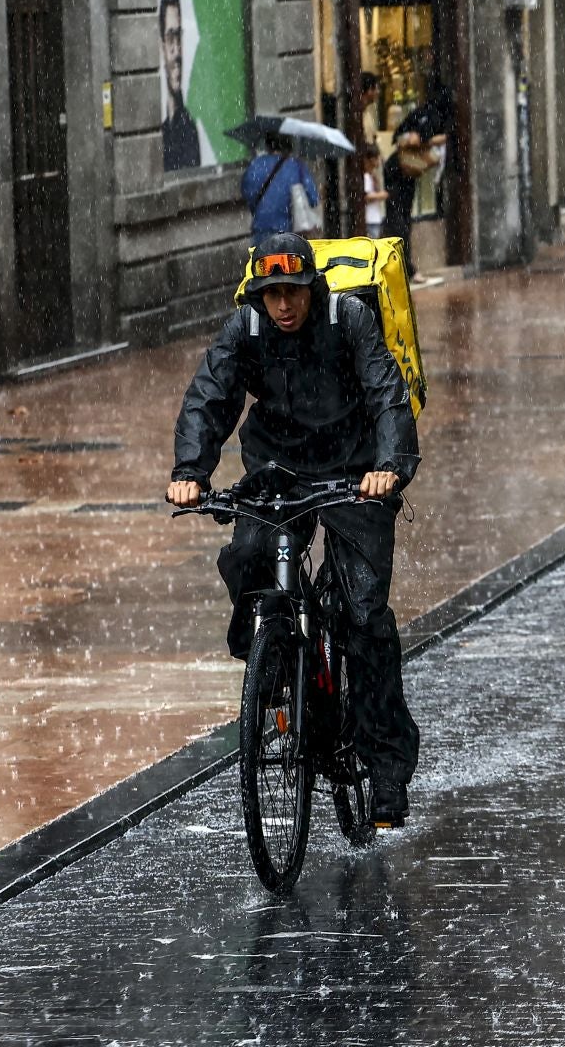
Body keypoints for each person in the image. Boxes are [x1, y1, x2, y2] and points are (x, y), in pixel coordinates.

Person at [167, 231, 421, 824]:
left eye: (293, 292)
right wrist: (191, 469)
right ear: (258, 293)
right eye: (272, 293)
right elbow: (210, 396)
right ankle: (272, 657)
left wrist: (389, 467)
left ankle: (385, 771)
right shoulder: (246, 328)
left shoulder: (349, 318)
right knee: (249, 555)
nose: (283, 305)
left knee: (363, 616)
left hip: (354, 472)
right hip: (278, 467)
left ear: (312, 287)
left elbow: (389, 397)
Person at [380, 63, 453, 285]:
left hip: (403, 173)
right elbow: (409, 138)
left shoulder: (424, 113)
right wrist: (427, 139)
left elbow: (402, 136)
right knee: (399, 222)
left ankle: (402, 267)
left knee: (399, 220)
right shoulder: (430, 117)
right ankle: (404, 269)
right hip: (400, 172)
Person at [239, 135, 321, 245]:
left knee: (261, 261)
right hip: (288, 231)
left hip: (260, 229)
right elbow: (313, 198)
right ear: (289, 145)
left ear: (268, 145)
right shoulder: (296, 165)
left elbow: (247, 193)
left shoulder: (255, 165)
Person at [159, 0, 202, 171]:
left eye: (179, 37)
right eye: (170, 39)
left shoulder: (188, 129)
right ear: (160, 46)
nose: (177, 52)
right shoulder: (162, 128)